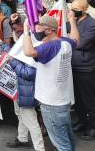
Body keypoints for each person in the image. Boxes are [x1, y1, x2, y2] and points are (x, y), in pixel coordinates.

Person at [23, 14, 79, 151]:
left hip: (51, 104)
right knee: (68, 140)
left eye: (38, 27)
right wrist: (72, 20)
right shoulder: (65, 42)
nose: (35, 30)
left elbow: (28, 51)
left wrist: (26, 30)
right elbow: (76, 39)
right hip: (64, 101)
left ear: (49, 30)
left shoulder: (49, 47)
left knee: (61, 144)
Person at [4, 56, 45, 151]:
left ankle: (40, 149)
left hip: (27, 91)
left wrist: (12, 61)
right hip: (21, 89)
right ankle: (22, 139)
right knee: (21, 115)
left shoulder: (30, 49)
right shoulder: (23, 47)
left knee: (31, 122)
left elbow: (29, 73)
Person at [69, 0, 95, 140]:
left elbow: (78, 43)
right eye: (72, 7)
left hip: (86, 68)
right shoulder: (75, 21)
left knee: (88, 100)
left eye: (76, 8)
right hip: (73, 66)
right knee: (77, 99)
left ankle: (92, 127)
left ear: (84, 9)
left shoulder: (92, 24)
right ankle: (82, 121)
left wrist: (72, 23)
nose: (73, 11)